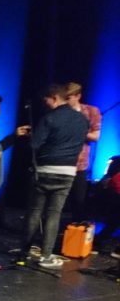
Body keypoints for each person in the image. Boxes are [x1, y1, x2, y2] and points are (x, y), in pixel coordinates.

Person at [21, 84, 89, 269]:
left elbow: (34, 145)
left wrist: (32, 136)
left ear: (54, 98)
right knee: (54, 213)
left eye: (46, 101)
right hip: (68, 171)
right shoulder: (83, 120)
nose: (46, 104)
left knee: (35, 211)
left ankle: (24, 252)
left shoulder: (49, 118)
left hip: (44, 170)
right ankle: (46, 256)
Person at [64, 82, 102, 221]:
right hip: (60, 161)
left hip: (79, 163)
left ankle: (76, 233)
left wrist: (77, 131)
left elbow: (95, 136)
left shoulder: (91, 111)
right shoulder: (60, 112)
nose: (66, 101)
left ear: (78, 96)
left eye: (68, 98)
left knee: (78, 201)